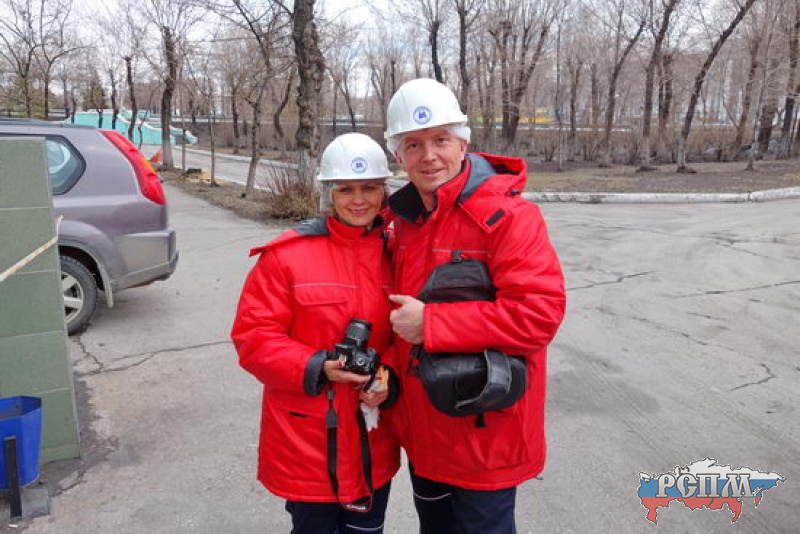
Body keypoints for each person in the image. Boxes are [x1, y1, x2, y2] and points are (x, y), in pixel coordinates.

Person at [383, 78, 567, 533]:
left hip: (485, 433)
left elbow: (537, 316)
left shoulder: (510, 217)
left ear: (463, 144)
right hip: (425, 431)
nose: (429, 155)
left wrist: (432, 324)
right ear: (398, 156)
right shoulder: (401, 222)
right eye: (413, 144)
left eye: (440, 140)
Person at [231, 133, 401, 534]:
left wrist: (387, 375)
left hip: (372, 438)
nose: (358, 200)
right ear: (329, 192)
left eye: (369, 188)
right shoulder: (286, 257)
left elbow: (404, 339)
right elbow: (254, 337)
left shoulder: (398, 254)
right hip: (307, 443)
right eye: (346, 189)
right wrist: (317, 366)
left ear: (384, 190)